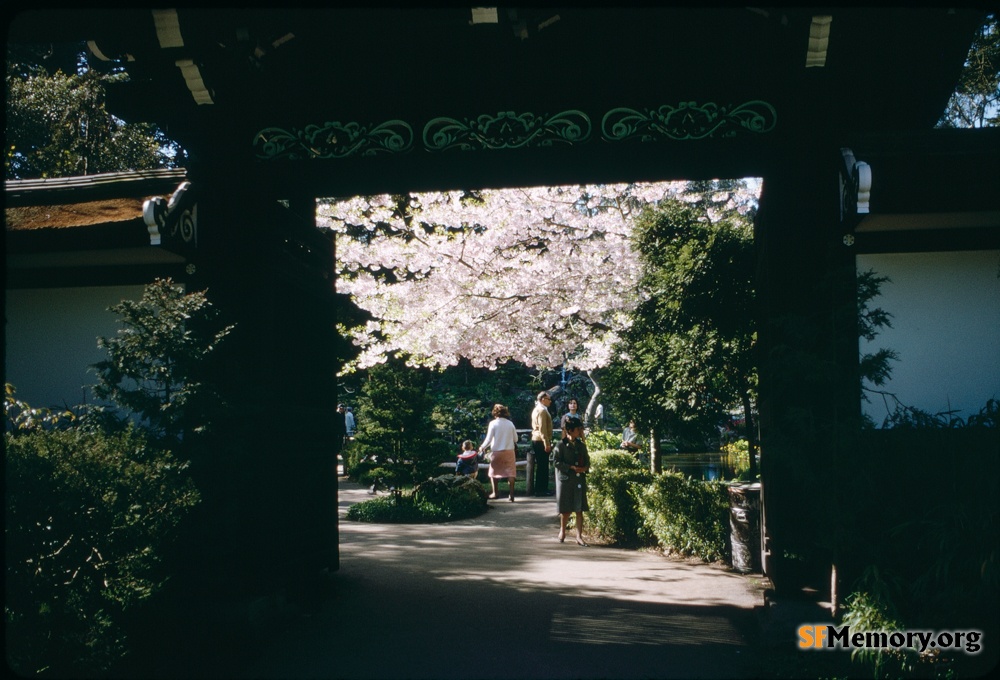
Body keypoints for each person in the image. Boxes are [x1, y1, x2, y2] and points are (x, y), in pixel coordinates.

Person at [552, 415, 590, 546]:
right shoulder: (560, 445)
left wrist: (584, 468)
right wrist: (570, 467)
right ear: (571, 430)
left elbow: (587, 461)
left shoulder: (581, 446)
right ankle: (562, 531)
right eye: (578, 429)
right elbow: (556, 462)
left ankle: (579, 536)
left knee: (579, 508)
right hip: (566, 480)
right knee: (566, 508)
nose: (580, 432)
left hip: (579, 479)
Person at [478, 403, 518, 502]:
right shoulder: (510, 424)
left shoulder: (493, 423)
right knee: (511, 473)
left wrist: (482, 447)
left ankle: (495, 493)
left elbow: (488, 439)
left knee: (493, 472)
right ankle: (511, 494)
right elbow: (516, 439)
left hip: (497, 451)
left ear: (494, 413)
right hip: (509, 451)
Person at [530, 391, 554, 496]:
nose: (550, 401)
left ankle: (541, 489)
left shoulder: (537, 409)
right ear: (543, 399)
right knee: (543, 466)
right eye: (549, 399)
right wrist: (547, 443)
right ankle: (541, 490)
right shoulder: (542, 411)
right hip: (540, 440)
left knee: (542, 466)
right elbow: (542, 429)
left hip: (537, 439)